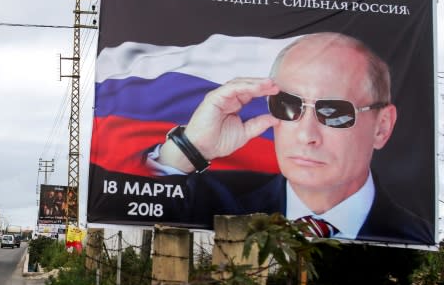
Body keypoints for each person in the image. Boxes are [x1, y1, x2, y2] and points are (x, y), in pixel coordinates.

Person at [148, 32, 433, 245]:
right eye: (288, 105)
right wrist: (191, 147)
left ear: (381, 127)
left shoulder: (413, 236)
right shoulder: (217, 199)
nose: (307, 135)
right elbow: (125, 205)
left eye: (334, 112)